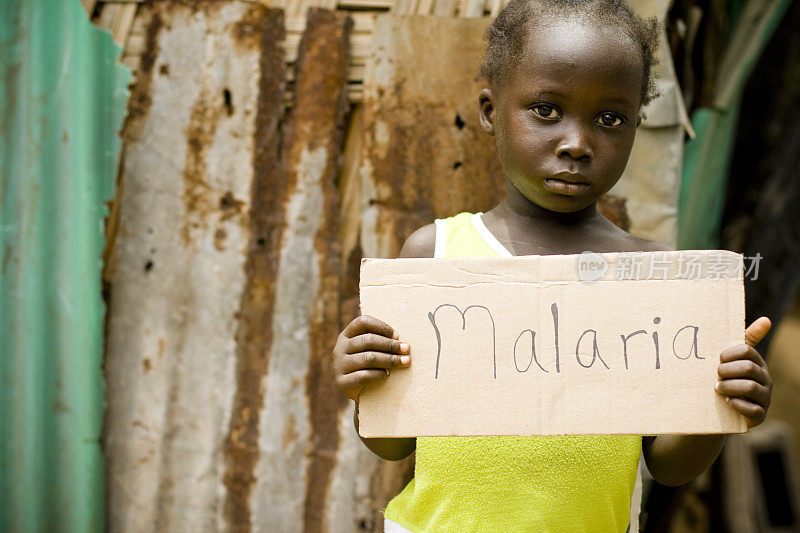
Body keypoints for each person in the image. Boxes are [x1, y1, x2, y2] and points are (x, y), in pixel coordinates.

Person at [332, 0, 774, 530]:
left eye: (610, 119)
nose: (576, 144)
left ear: (636, 124)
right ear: (491, 111)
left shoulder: (652, 276)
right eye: (546, 110)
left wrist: (720, 404)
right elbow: (392, 442)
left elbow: (668, 465)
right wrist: (365, 380)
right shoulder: (437, 256)